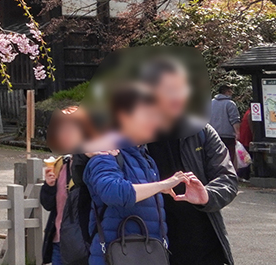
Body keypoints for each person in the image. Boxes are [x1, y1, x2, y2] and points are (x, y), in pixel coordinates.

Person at [141, 57, 237, 265]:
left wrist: (207, 195)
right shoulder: (133, 137)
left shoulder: (201, 131)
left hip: (202, 244)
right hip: (148, 243)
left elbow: (227, 178)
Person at [83, 83, 190, 265]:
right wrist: (162, 185)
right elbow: (114, 193)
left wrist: (158, 188)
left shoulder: (146, 158)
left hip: (146, 254)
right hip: (114, 256)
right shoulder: (107, 153)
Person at [41, 106, 95, 265]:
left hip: (82, 243)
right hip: (58, 240)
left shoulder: (93, 162)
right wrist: (49, 186)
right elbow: (48, 205)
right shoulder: (61, 164)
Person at [209, 85, 241, 167]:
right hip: (228, 136)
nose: (232, 93)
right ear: (227, 92)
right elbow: (234, 120)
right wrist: (237, 133)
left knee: (217, 158)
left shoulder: (210, 103)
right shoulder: (230, 104)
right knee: (229, 158)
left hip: (213, 136)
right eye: (230, 91)